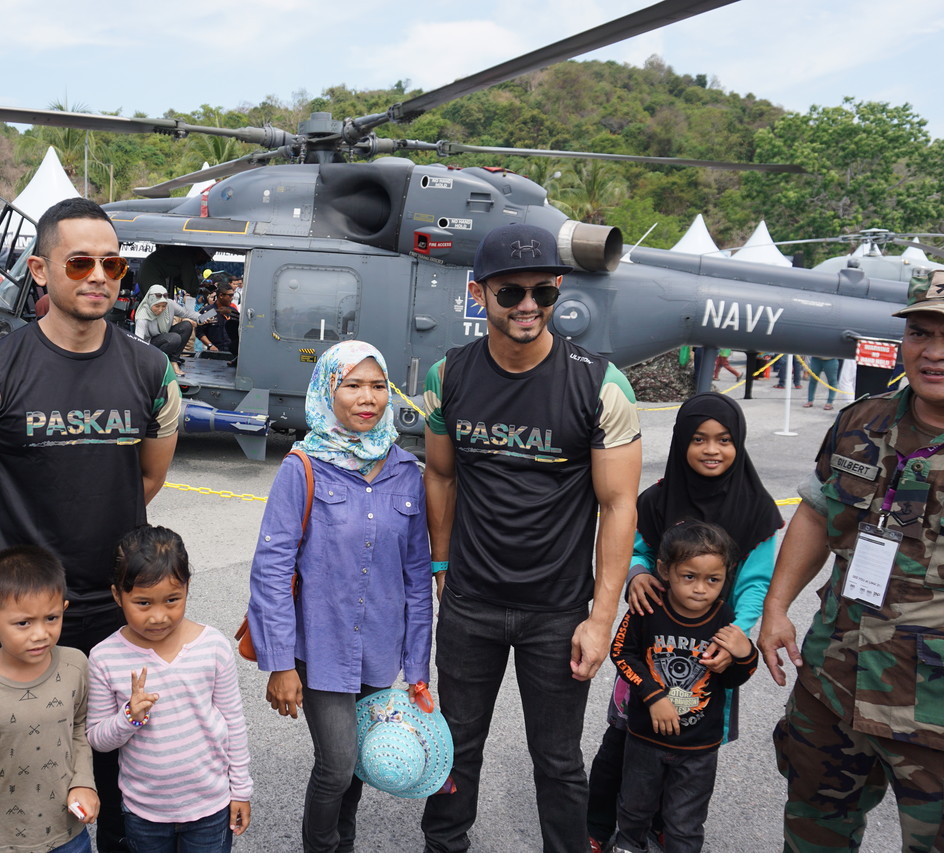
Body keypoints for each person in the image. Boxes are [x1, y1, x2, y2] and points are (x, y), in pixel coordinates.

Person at [0, 196, 181, 853]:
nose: (99, 275)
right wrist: (21, 575)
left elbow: (147, 480)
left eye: (113, 264)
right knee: (34, 778)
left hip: (123, 610)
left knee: (126, 775)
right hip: (33, 618)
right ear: (41, 270)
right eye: (80, 262)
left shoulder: (153, 371)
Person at [418, 222, 641, 853]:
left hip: (558, 612)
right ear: (478, 293)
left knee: (558, 760)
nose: (527, 306)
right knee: (454, 748)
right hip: (471, 604)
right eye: (510, 292)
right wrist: (441, 565)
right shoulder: (448, 375)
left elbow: (619, 505)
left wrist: (601, 618)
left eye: (543, 292)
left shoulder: (600, 384)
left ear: (558, 290)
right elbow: (440, 474)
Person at [758, 271, 944, 852]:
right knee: (814, 833)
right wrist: (776, 607)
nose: (933, 352)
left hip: (934, 709)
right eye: (920, 333)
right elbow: (817, 514)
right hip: (834, 681)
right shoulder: (862, 421)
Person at [247, 340, 431, 852]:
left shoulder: (405, 470)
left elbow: (417, 577)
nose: (367, 398)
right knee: (337, 763)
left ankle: (342, 843)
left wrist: (417, 665)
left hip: (380, 648)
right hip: (321, 646)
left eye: (377, 386)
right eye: (352, 385)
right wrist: (280, 664)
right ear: (328, 391)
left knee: (358, 764)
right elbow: (271, 569)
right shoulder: (303, 467)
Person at [585, 392, 782, 851]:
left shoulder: (755, 506)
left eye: (724, 439)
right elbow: (633, 548)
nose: (712, 449)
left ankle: (664, 825)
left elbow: (755, 582)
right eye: (699, 439)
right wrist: (637, 574)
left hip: (709, 649)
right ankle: (597, 826)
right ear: (680, 443)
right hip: (653, 640)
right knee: (622, 741)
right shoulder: (657, 499)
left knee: (688, 745)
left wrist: (736, 636)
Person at [87, 525, 251, 852]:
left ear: (187, 588)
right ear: (118, 595)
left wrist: (241, 790)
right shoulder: (105, 656)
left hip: (211, 806)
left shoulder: (213, 646)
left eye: (172, 600)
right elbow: (97, 738)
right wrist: (129, 718)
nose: (159, 616)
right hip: (144, 811)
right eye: (143, 603)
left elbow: (233, 723)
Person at [608, 521, 759, 853]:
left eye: (713, 579)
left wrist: (743, 655)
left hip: (698, 747)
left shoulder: (725, 618)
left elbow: (733, 679)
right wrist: (653, 695)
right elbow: (621, 653)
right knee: (634, 807)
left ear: (727, 576)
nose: (700, 589)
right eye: (689, 576)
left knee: (685, 821)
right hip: (645, 738)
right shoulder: (647, 608)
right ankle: (628, 845)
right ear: (665, 570)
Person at [0, 545, 98, 853]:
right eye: (23, 623)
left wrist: (83, 782)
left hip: (66, 834)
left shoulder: (75, 665)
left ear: (64, 608)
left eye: (51, 618)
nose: (40, 633)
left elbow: (78, 727)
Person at [134, 284, 201, 374]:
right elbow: (138, 342)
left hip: (165, 335)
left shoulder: (170, 304)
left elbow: (186, 313)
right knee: (174, 338)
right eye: (157, 306)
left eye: (163, 306)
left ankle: (174, 361)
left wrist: (202, 317)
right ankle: (155, 363)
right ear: (150, 302)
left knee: (187, 326)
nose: (160, 309)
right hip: (149, 345)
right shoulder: (142, 316)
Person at [197, 282, 238, 359]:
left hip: (232, 354)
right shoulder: (210, 311)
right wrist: (210, 345)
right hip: (214, 354)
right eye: (230, 295)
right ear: (221, 295)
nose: (232, 298)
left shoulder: (233, 311)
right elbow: (199, 331)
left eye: (233, 295)